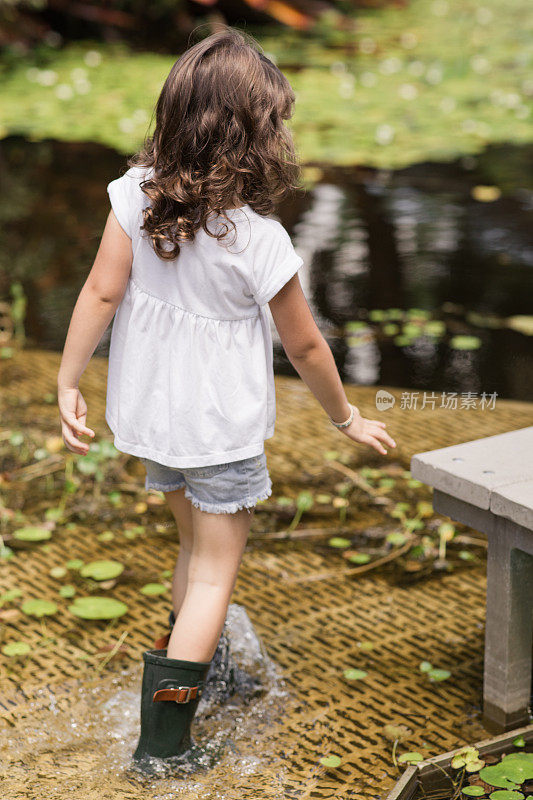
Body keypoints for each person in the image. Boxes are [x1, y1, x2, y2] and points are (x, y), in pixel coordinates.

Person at [57, 26, 396, 767]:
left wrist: (67, 378)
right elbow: (305, 346)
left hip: (151, 419)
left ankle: (192, 666)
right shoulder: (259, 240)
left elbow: (100, 290)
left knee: (190, 547)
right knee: (215, 573)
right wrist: (345, 417)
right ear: (256, 137)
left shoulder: (131, 197)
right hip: (219, 430)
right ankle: (165, 745)